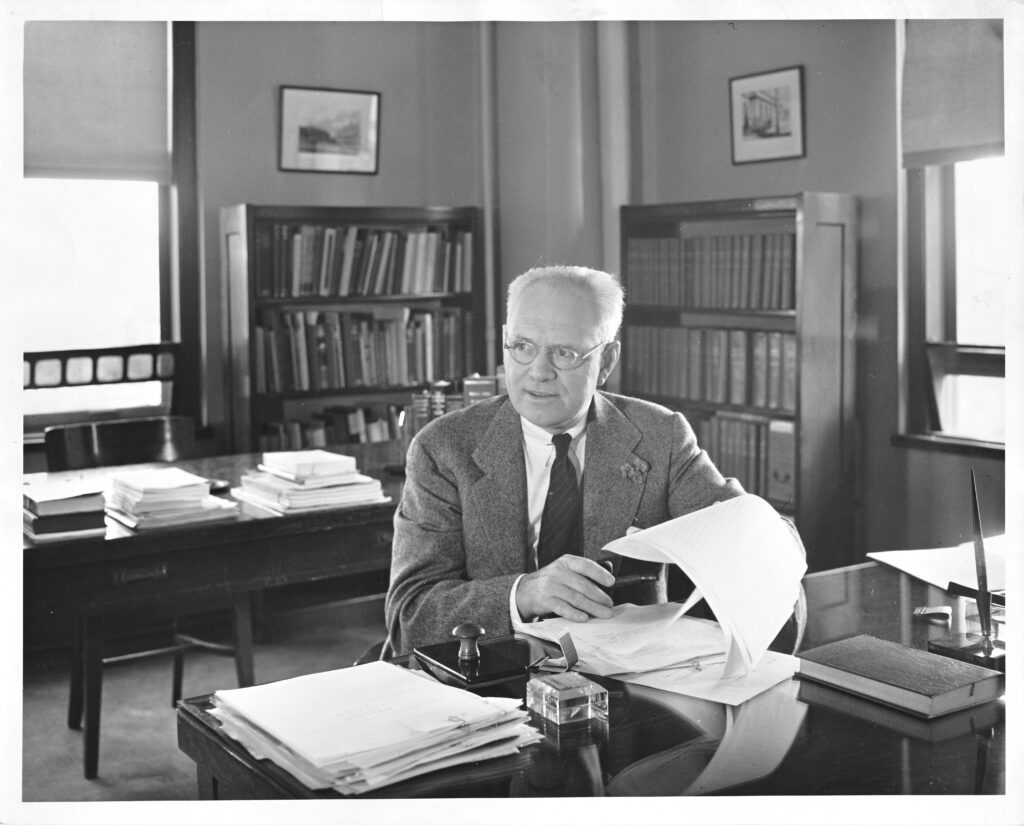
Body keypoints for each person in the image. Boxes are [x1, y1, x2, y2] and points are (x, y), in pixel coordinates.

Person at [384, 265, 745, 656]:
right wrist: (524, 593)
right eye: (522, 347)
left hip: (621, 683)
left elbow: (746, 536)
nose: (538, 372)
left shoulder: (661, 437)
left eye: (564, 353)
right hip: (484, 680)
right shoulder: (443, 448)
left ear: (606, 361)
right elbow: (411, 615)